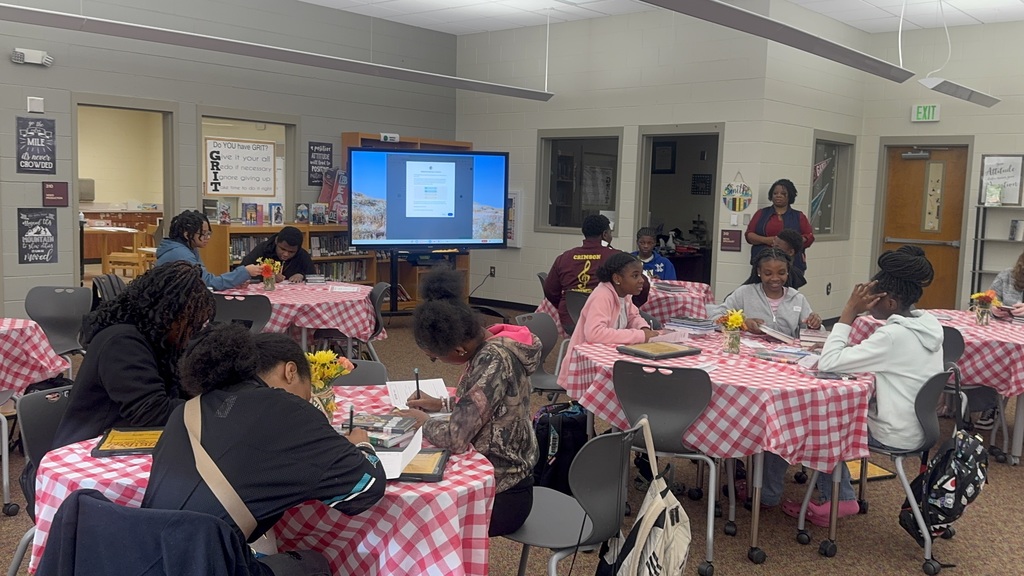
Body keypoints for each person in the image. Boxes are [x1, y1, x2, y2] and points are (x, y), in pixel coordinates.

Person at [142, 324, 386, 576]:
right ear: (290, 371)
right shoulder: (287, 409)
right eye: (308, 390)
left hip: (146, 558)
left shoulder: (186, 411)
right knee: (314, 562)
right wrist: (361, 444)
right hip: (211, 565)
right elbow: (366, 491)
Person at [777, 245, 943, 525]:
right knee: (836, 415)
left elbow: (829, 362)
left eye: (872, 298)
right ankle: (835, 492)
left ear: (889, 302)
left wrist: (849, 311)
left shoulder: (893, 336)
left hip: (894, 433)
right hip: (919, 428)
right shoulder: (928, 325)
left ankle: (839, 499)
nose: (868, 303)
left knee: (827, 420)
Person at [393, 268, 540, 537]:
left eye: (435, 357)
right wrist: (441, 404)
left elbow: (455, 437)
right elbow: (486, 402)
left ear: (459, 349)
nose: (436, 361)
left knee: (415, 519)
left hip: (503, 492)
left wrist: (422, 423)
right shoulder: (491, 345)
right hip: (502, 478)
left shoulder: (492, 360)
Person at [53, 262, 216, 448]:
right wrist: (212, 409)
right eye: (190, 323)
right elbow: (151, 412)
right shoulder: (122, 343)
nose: (192, 333)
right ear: (167, 315)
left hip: (124, 437)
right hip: (89, 447)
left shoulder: (156, 338)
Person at [556, 252, 659, 387]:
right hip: (586, 366)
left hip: (609, 355)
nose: (641, 280)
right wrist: (640, 335)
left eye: (641, 274)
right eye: (635, 276)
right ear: (617, 278)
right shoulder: (603, 295)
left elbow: (633, 316)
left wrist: (644, 328)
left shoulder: (624, 294)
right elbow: (595, 333)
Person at [543, 214, 648, 329]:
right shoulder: (616, 258)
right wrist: (627, 306)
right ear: (605, 234)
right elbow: (644, 285)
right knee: (648, 325)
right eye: (610, 233)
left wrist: (569, 306)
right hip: (608, 319)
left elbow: (550, 290)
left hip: (570, 320)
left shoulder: (564, 257)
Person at [710, 247, 822, 338]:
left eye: (781, 273)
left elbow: (814, 334)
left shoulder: (797, 299)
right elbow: (715, 317)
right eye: (768, 273)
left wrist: (815, 326)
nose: (775, 278)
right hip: (749, 353)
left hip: (786, 354)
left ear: (788, 271)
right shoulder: (744, 293)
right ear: (759, 272)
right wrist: (742, 323)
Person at [155, 209, 260, 290]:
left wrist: (235, 281)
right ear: (187, 235)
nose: (207, 237)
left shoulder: (188, 248)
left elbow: (206, 279)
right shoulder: (181, 254)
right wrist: (244, 272)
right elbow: (207, 283)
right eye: (203, 233)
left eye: (208, 233)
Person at [745, 178, 815, 272]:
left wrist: (789, 242)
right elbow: (749, 235)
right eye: (775, 193)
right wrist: (767, 240)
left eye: (783, 194)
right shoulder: (761, 213)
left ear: (789, 196)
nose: (778, 196)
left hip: (792, 265)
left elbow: (809, 237)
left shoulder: (799, 216)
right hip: (763, 263)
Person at [240, 226, 315, 283]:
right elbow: (241, 272)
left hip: (292, 295)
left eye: (291, 252)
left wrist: (302, 276)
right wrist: (266, 276)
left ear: (298, 249)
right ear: (276, 241)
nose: (286, 254)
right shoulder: (263, 249)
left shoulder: (302, 254)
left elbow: (314, 277)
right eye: (283, 249)